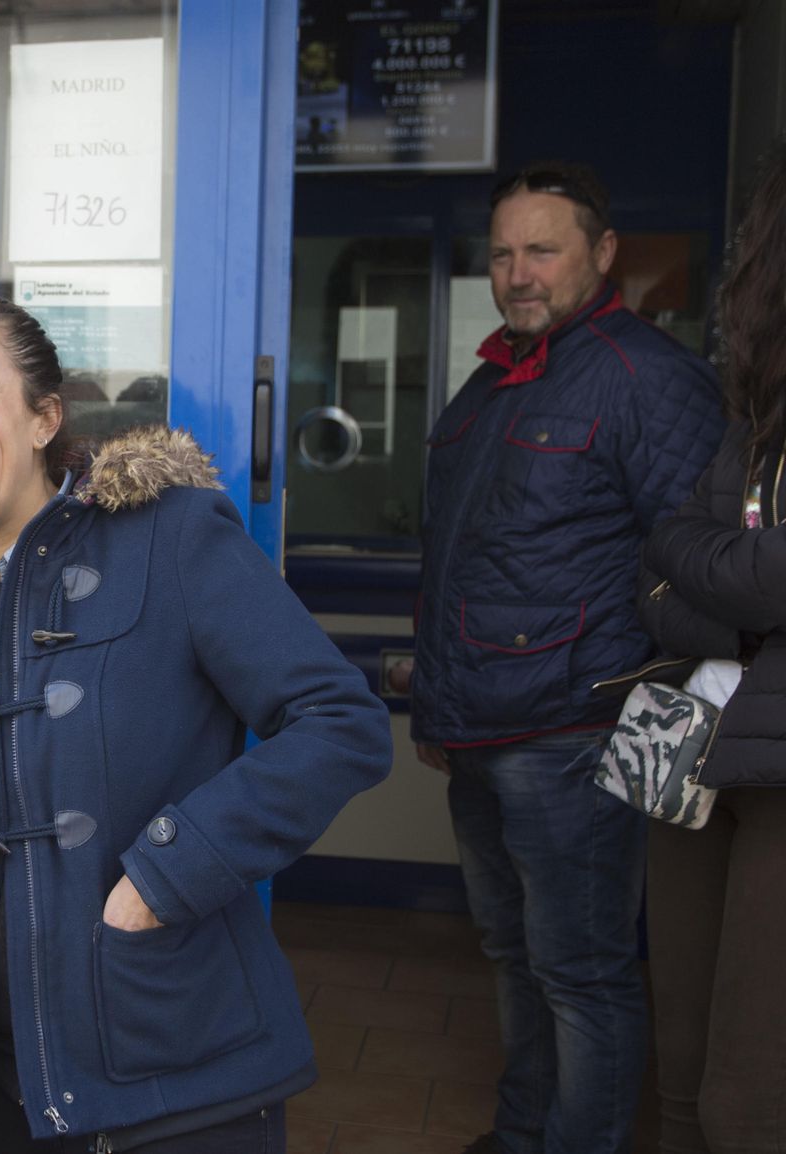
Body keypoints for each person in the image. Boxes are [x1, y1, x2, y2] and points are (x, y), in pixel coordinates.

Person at [0, 291, 393, 1151]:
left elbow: (339, 721)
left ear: (44, 417)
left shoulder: (171, 538)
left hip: (169, 1060)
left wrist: (168, 874)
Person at [411, 163, 727, 1154]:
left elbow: (695, 563)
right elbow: (459, 561)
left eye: (540, 249)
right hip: (481, 731)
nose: (518, 272)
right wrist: (436, 710)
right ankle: (521, 1132)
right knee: (511, 953)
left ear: (601, 253)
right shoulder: (489, 381)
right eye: (501, 253)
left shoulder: (646, 378)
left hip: (577, 737)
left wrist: (649, 710)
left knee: (580, 970)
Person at [637, 143, 786, 1154]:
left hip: (775, 769)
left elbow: (737, 565)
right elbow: (660, 568)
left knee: (747, 1098)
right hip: (693, 751)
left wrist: (720, 574)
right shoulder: (754, 416)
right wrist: (742, 607)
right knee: (680, 1075)